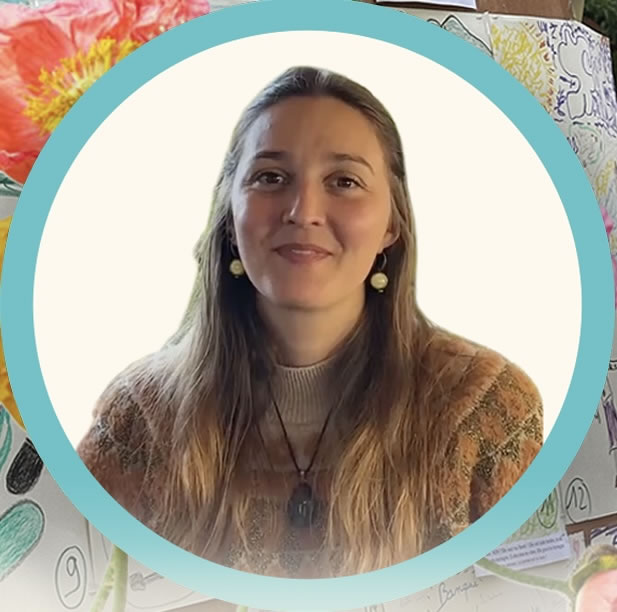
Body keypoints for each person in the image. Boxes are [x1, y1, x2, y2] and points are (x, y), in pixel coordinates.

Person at [77, 66, 543, 578]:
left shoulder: (487, 409)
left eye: (344, 181)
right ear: (230, 215)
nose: (303, 212)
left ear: (392, 224)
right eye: (270, 178)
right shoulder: (138, 420)